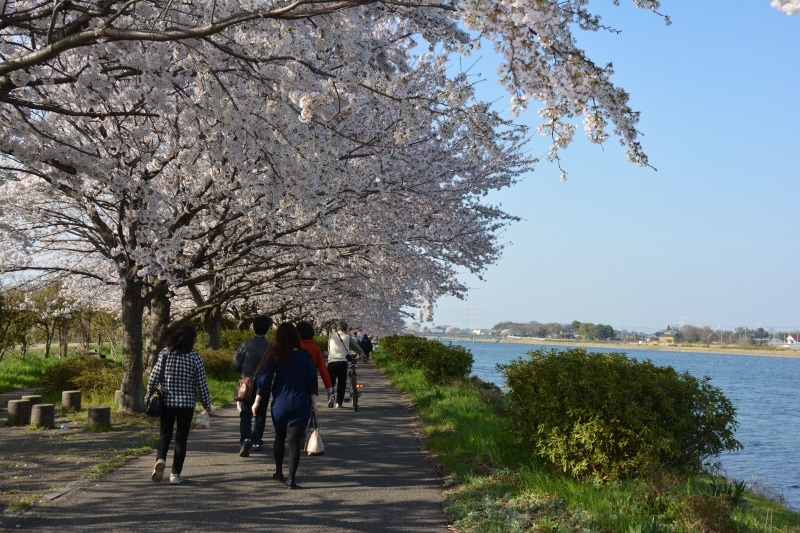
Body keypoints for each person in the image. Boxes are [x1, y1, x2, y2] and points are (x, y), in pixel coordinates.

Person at [251, 322, 317, 490]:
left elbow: (264, 380)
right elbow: (311, 381)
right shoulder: (305, 356)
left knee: (279, 438)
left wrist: (257, 401)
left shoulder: (274, 355)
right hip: (301, 402)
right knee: (294, 442)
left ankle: (278, 472)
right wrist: (314, 402)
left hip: (280, 403)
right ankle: (291, 479)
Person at [147, 325, 212, 485]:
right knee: (181, 439)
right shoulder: (194, 357)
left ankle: (161, 459)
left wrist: (148, 396)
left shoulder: (164, 354)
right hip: (186, 404)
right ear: (192, 341)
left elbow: (153, 378)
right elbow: (201, 383)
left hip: (166, 402)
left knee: (165, 433)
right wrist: (206, 403)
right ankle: (175, 474)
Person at [231, 315, 273, 456]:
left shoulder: (245, 345)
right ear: (267, 329)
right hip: (265, 383)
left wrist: (243, 371)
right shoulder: (271, 346)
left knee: (245, 412)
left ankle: (245, 438)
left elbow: (235, 365)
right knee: (260, 413)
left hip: (246, 384)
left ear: (253, 327)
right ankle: (256, 440)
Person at [326, 321, 365, 408]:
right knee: (342, 383)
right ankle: (339, 403)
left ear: (337, 329)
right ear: (346, 329)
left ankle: (331, 396)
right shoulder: (348, 337)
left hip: (332, 362)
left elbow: (329, 349)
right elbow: (356, 347)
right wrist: (363, 354)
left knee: (331, 381)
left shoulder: (331, 336)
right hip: (342, 362)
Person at [296, 321, 334, 401]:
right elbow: (322, 368)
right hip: (310, 382)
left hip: (293, 383)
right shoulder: (315, 348)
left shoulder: (292, 347)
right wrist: (329, 387)